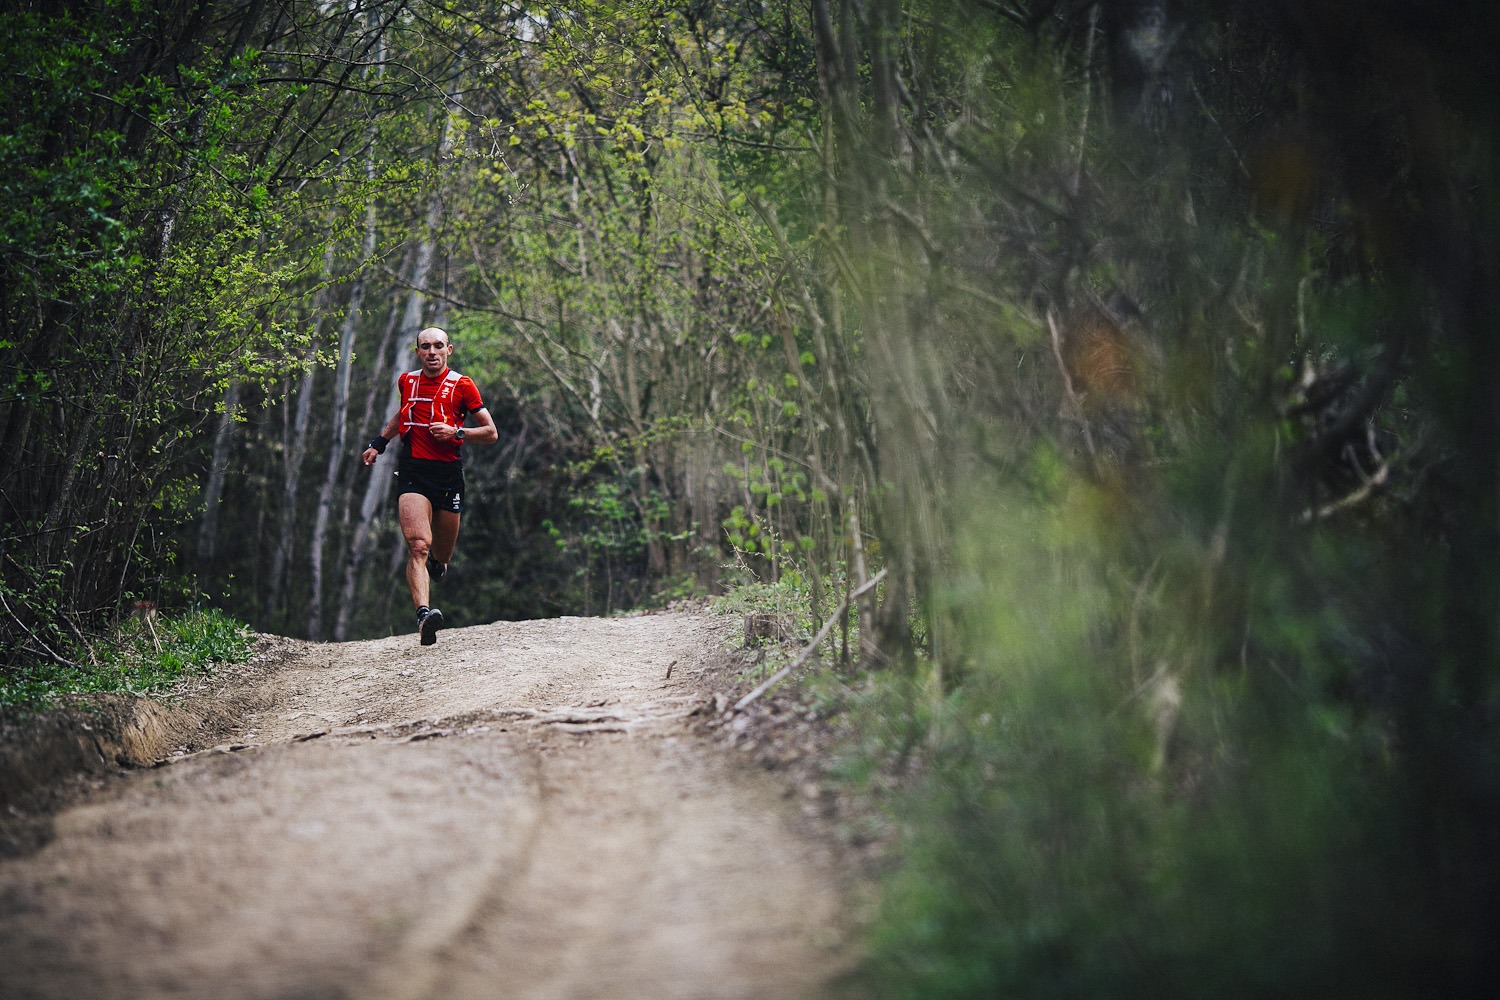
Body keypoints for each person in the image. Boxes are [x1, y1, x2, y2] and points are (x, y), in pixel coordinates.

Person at [362, 327, 497, 645]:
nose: (432, 352)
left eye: (438, 346)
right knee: (418, 546)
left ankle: (438, 563)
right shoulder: (407, 381)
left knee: (440, 555)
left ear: (449, 350)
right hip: (413, 471)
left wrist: (456, 433)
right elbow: (404, 413)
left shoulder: (462, 385)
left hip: (448, 476)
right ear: (418, 352)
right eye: (425, 347)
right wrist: (379, 442)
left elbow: (491, 432)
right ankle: (424, 617)